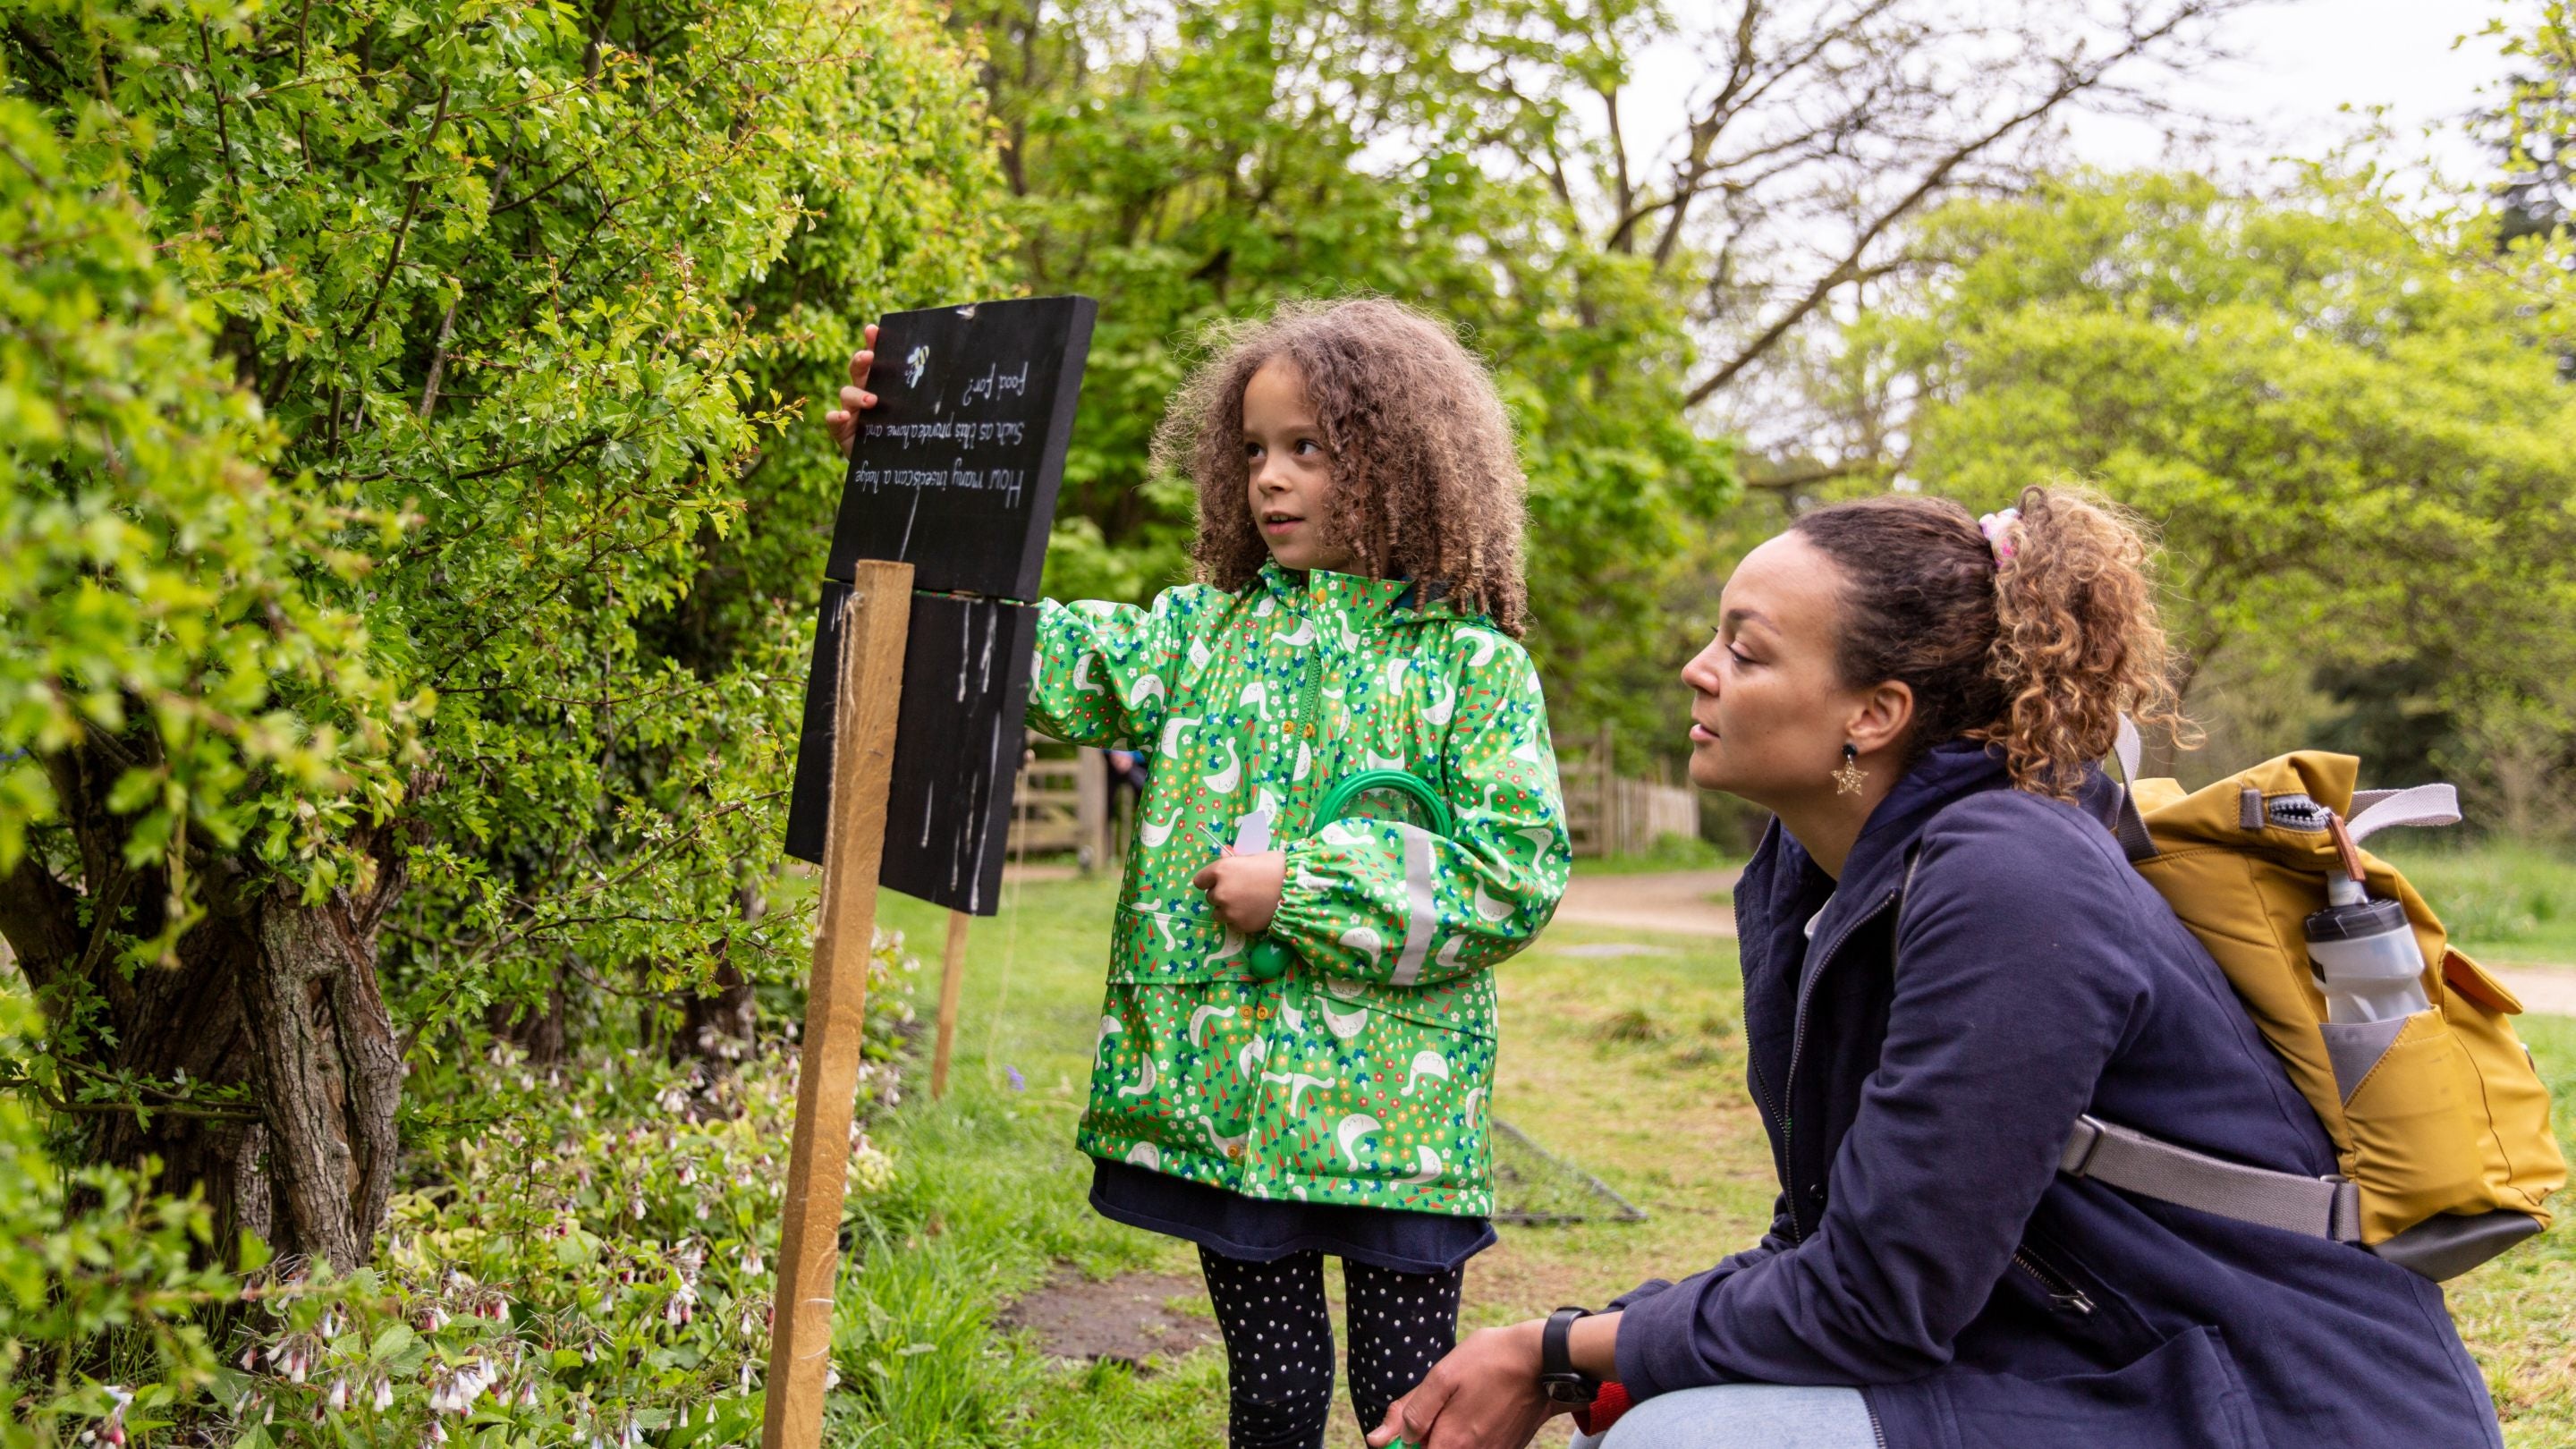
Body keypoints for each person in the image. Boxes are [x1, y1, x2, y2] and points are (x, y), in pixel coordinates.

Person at [1367, 488, 2504, 1449]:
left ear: (1876, 713)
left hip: (2282, 1402)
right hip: (2093, 1359)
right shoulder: (1809, 875)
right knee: (1666, 1402)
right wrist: (1611, 1349)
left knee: (1689, 1439)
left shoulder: (2012, 877)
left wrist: (1551, 1346)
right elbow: (1832, 1238)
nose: (1696, 670)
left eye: (1744, 649)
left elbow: (1874, 1302)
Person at [828, 298, 1572, 1448]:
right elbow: (1011, 644)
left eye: (1309, 449)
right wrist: (902, 478)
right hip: (1228, 1113)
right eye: (1255, 450)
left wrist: (1308, 893)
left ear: (1410, 460)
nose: (1271, 479)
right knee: (1270, 1402)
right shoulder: (1200, 634)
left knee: (1407, 1406)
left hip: (1401, 1126)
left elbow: (1514, 872)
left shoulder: (1470, 665)